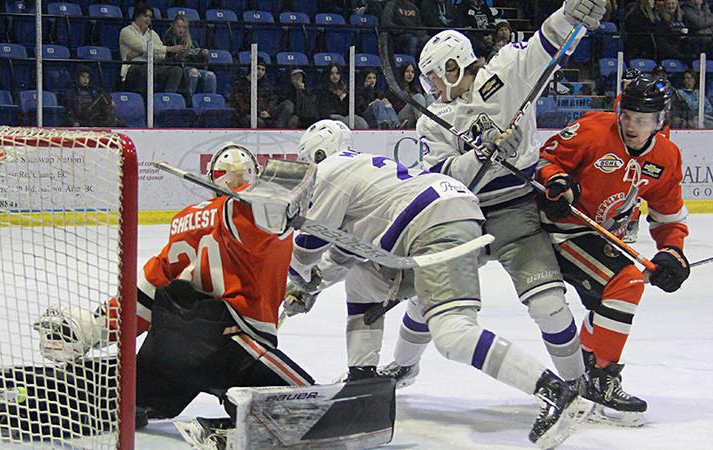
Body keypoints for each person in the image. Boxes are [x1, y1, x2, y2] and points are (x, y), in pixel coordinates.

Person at [285, 119, 593, 449]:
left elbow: (310, 243)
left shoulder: (329, 169)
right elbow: (346, 252)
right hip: (435, 221)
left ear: (316, 155)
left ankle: (555, 391)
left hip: (431, 228)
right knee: (364, 282)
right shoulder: (367, 174)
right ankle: (364, 380)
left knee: (453, 334)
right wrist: (312, 284)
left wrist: (297, 282)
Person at [378, 0, 606, 394]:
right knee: (427, 296)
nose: (431, 86)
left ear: (454, 66)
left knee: (548, 303)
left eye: (434, 76)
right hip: (462, 217)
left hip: (516, 210)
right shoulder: (432, 119)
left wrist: (569, 15)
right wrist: (479, 154)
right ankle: (403, 366)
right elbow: (441, 175)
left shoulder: (505, 71)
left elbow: (544, 46)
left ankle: (577, 384)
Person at [34, 143, 315, 447]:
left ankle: (42, 394)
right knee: (306, 404)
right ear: (255, 175)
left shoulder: (184, 219)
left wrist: (95, 327)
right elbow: (275, 204)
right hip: (227, 345)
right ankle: (232, 425)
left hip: (169, 343)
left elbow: (148, 291)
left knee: (136, 396)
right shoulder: (248, 211)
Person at [535, 73, 690, 425]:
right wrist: (556, 184)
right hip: (561, 231)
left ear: (659, 121)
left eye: (642, 119)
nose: (632, 125)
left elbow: (668, 217)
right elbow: (543, 162)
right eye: (628, 115)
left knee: (611, 304)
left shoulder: (666, 156)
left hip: (600, 238)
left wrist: (672, 252)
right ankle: (600, 379)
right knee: (628, 283)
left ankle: (583, 373)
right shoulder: (593, 131)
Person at [119, 3, 184, 96]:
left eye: (150, 17)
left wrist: (139, 53)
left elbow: (161, 55)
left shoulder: (152, 33)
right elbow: (143, 46)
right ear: (137, 16)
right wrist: (167, 49)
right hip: (132, 67)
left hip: (152, 65)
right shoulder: (126, 31)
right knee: (145, 68)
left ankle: (167, 99)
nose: (148, 19)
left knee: (176, 70)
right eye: (145, 16)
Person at [162, 13, 217, 100]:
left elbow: (201, 63)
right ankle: (190, 101)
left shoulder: (192, 42)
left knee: (210, 75)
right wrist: (189, 56)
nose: (181, 30)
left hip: (192, 67)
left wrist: (203, 55)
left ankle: (211, 103)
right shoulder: (167, 41)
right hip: (179, 70)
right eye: (179, 26)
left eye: (184, 27)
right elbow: (168, 60)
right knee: (193, 72)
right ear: (173, 26)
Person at [315, 63, 369, 129]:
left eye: (337, 73)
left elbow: (351, 108)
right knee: (346, 122)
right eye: (332, 74)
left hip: (346, 116)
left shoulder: (345, 89)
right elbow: (324, 110)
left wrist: (345, 97)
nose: (335, 76)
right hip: (332, 117)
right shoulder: (324, 91)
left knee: (361, 122)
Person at [230, 57, 279, 128]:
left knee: (287, 104)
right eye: (258, 68)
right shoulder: (240, 84)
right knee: (253, 120)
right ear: (251, 68)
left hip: (265, 116)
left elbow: (273, 100)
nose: (260, 72)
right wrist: (258, 113)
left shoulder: (266, 85)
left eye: (263, 70)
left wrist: (268, 112)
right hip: (247, 117)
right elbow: (239, 104)